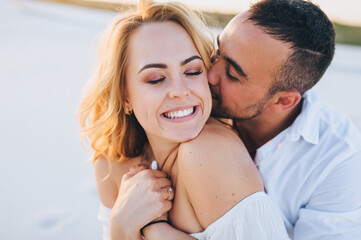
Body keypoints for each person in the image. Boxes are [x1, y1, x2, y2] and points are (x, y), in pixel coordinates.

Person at [78, 1, 290, 239]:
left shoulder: (209, 152)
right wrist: (120, 225)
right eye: (156, 78)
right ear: (124, 96)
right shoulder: (112, 164)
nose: (180, 91)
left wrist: (151, 228)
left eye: (192, 71)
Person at [208, 0, 361, 239]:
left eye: (232, 74)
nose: (208, 74)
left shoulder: (339, 160)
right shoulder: (191, 98)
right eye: (217, 52)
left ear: (283, 101)